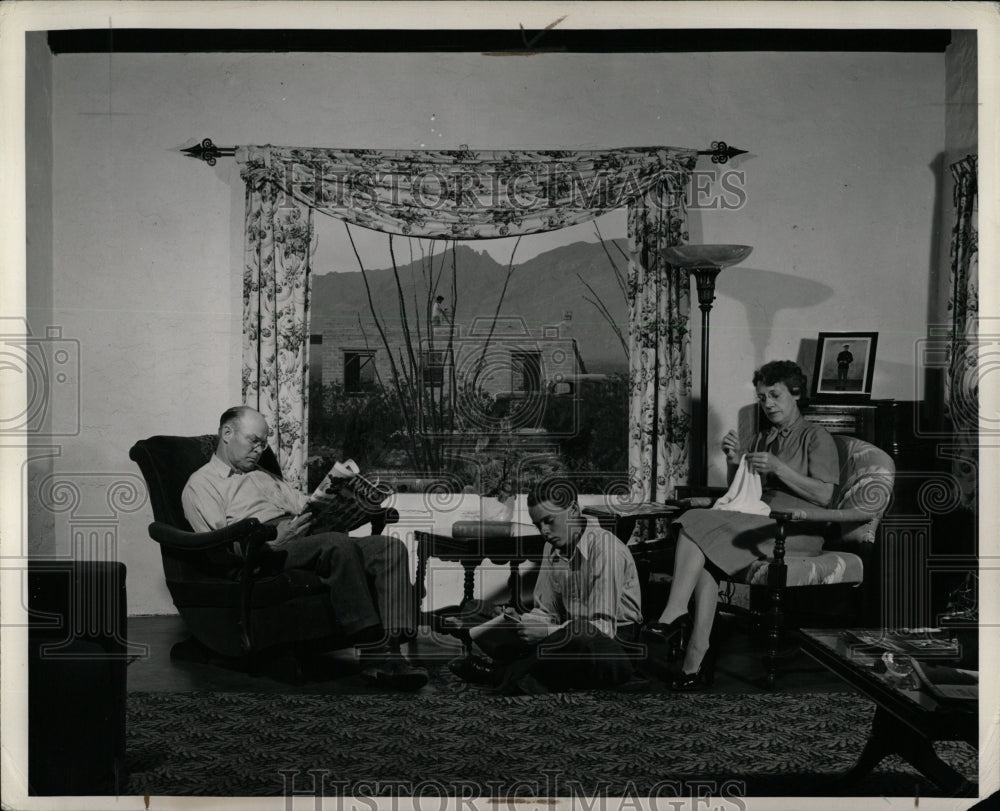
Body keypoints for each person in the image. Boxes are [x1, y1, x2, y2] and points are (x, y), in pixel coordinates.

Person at [181, 405, 428, 690]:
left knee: (389, 547)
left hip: (306, 535)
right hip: (265, 550)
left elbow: (305, 507)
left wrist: (350, 507)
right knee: (336, 544)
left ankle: (394, 651)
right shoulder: (202, 484)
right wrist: (272, 540)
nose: (260, 449)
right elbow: (217, 544)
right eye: (254, 441)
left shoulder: (264, 475)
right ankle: (374, 654)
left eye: (264, 443)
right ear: (227, 433)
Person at [643, 360, 839, 691]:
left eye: (775, 396)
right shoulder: (763, 438)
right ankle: (694, 659)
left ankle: (676, 617)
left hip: (794, 532)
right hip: (758, 522)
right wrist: (736, 461)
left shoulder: (816, 437)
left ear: (796, 393)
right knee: (701, 541)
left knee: (695, 524)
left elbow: (825, 496)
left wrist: (778, 468)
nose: (768, 404)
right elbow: (745, 492)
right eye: (763, 398)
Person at [447, 481, 644, 694]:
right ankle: (527, 673)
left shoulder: (606, 550)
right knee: (474, 609)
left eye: (549, 521)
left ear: (574, 510)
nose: (544, 531)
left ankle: (503, 675)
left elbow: (602, 629)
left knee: (580, 632)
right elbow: (547, 611)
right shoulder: (551, 546)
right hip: (562, 639)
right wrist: (522, 621)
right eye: (538, 524)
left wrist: (547, 632)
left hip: (610, 646)